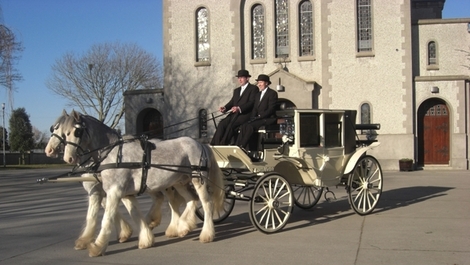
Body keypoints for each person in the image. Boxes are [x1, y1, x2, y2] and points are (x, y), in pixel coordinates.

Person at [210, 70, 258, 145]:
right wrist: (225, 108)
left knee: (232, 125)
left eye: (242, 77)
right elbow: (232, 102)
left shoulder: (253, 88)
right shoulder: (237, 90)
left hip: (244, 114)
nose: (240, 80)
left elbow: (251, 102)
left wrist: (239, 108)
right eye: (239, 78)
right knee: (222, 124)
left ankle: (223, 144)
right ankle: (214, 144)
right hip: (234, 114)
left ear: (247, 78)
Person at [236, 74, 278, 152]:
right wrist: (252, 118)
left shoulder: (272, 93)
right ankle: (238, 146)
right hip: (258, 118)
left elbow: (271, 109)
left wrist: (260, 116)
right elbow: (255, 108)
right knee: (244, 125)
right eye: (258, 82)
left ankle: (243, 146)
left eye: (261, 82)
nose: (259, 84)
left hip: (268, 118)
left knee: (250, 126)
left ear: (266, 83)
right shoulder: (258, 95)